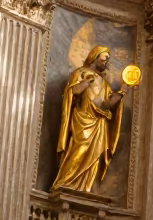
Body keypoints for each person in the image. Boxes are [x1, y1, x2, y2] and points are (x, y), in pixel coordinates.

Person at [52, 45, 126, 194]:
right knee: (78, 151)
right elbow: (71, 93)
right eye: (105, 58)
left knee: (94, 158)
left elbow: (106, 105)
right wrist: (85, 82)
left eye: (108, 60)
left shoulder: (105, 84)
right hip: (82, 121)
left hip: (99, 124)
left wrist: (122, 92)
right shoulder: (80, 73)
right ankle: (65, 183)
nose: (106, 62)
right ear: (95, 56)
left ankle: (87, 188)